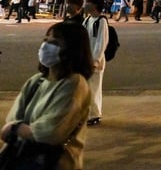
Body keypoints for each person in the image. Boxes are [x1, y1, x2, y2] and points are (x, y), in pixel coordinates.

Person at [2, 22, 93, 169]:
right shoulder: (37, 81)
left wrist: (16, 128)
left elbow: (51, 132)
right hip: (21, 158)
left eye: (55, 42)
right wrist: (19, 128)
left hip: (54, 163)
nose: (46, 46)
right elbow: (13, 118)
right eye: (46, 40)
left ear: (72, 50)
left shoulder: (74, 83)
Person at [82, 0, 109, 126]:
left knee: (94, 88)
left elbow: (101, 42)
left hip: (94, 61)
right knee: (86, 88)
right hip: (86, 59)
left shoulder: (101, 21)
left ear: (95, 5)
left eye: (88, 2)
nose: (85, 4)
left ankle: (95, 114)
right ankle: (88, 113)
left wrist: (95, 60)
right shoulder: (87, 20)